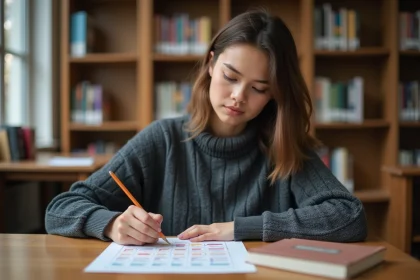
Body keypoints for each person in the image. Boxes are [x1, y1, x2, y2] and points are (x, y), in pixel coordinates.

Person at [45, 9, 367, 245]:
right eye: (230, 76)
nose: (238, 97)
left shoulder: (282, 146)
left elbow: (349, 217)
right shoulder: (162, 139)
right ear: (211, 64)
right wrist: (112, 223)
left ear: (275, 94)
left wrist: (240, 228)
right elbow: (59, 210)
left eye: (259, 88)